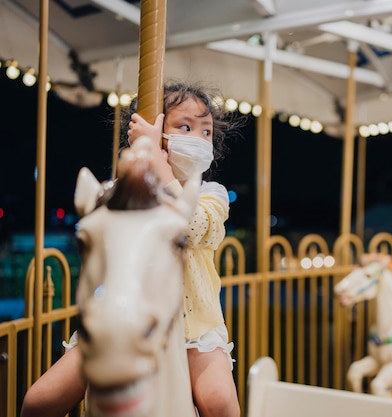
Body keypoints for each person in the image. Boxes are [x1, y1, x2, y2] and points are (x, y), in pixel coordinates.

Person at [20, 81, 241, 417]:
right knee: (39, 401)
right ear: (154, 132)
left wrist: (160, 166)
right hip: (123, 318)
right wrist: (143, 164)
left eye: (206, 132)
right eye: (185, 127)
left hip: (194, 329)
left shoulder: (211, 193)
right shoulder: (124, 190)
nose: (198, 140)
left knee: (221, 403)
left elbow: (194, 227)